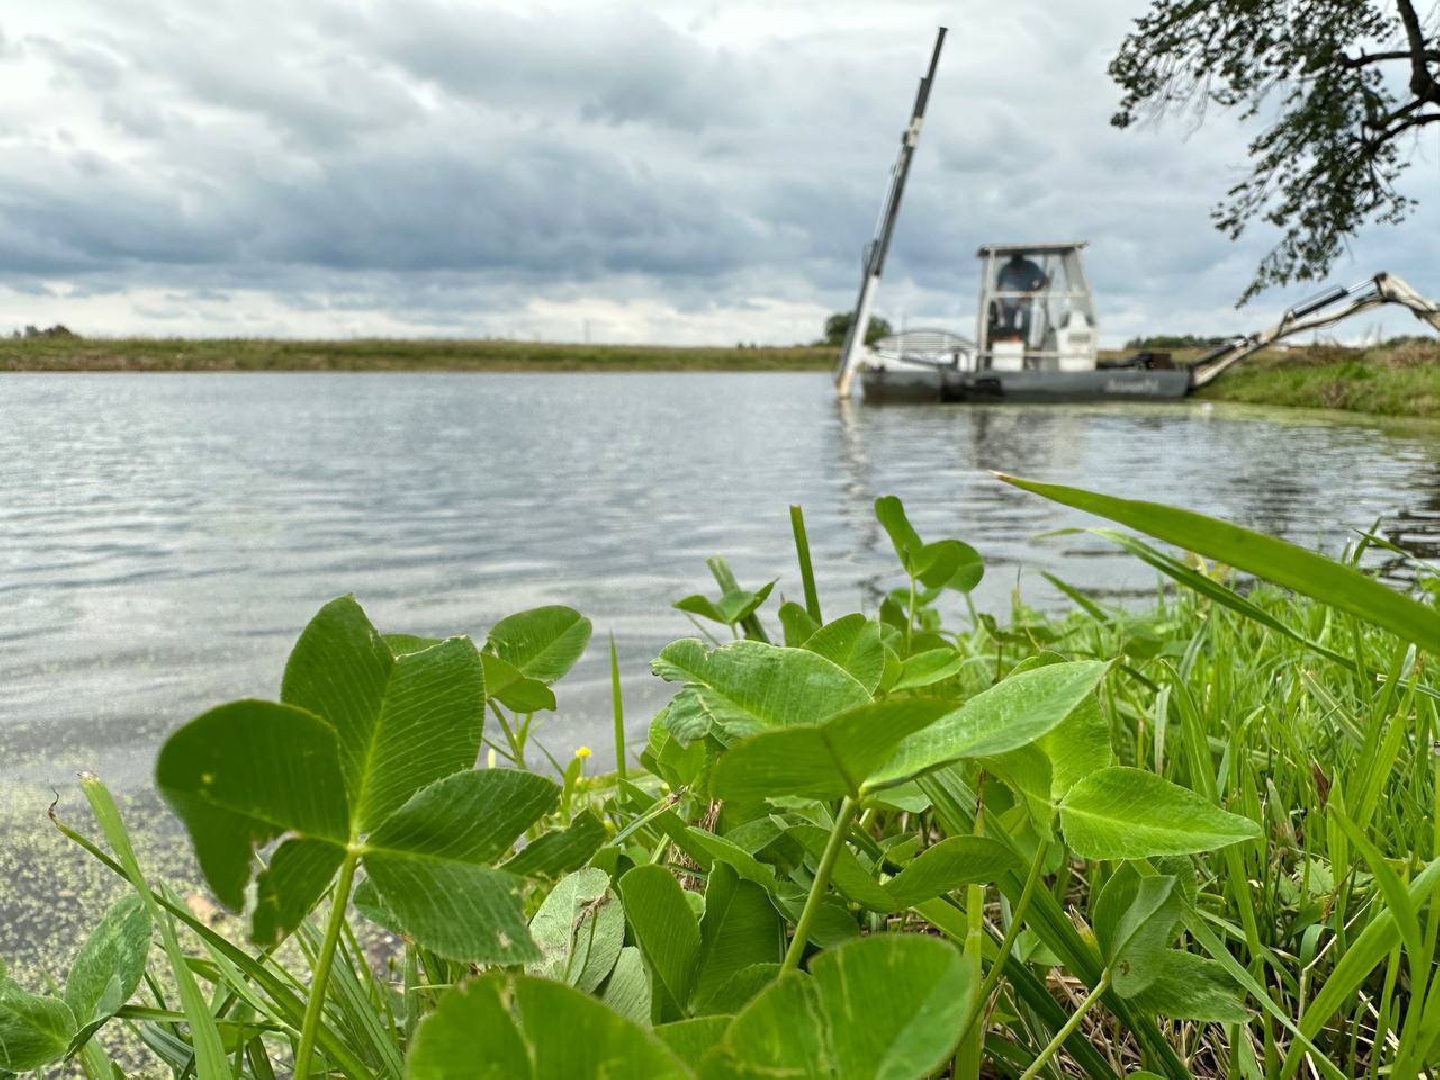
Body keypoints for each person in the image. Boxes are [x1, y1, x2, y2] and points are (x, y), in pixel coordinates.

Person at [993, 253, 1048, 341]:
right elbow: (998, 288)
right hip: (1008, 302)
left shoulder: (1032, 267)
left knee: (1026, 316)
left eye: (1018, 267)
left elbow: (1045, 280)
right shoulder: (1004, 269)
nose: (1016, 270)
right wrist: (1001, 304)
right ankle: (1010, 340)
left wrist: (1033, 292)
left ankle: (1025, 341)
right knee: (1008, 323)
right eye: (1014, 268)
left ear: (1023, 263)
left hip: (1025, 299)